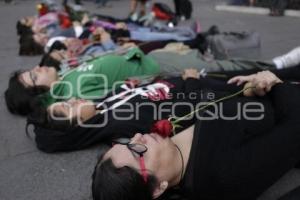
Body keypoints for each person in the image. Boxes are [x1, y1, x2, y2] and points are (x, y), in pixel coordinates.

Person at [91, 70, 300, 200]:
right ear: (158, 188)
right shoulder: (224, 175)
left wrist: (250, 88)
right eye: (138, 152)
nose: (138, 136)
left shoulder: (167, 136)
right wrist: (275, 83)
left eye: (126, 141)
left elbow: (218, 101)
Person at [5, 45, 300, 116]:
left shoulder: (65, 78)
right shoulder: (70, 91)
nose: (38, 68)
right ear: (35, 91)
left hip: (150, 57)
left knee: (216, 62)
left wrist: (118, 51)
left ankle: (278, 65)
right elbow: (113, 94)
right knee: (228, 67)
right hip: (159, 66)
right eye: (33, 75)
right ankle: (280, 64)